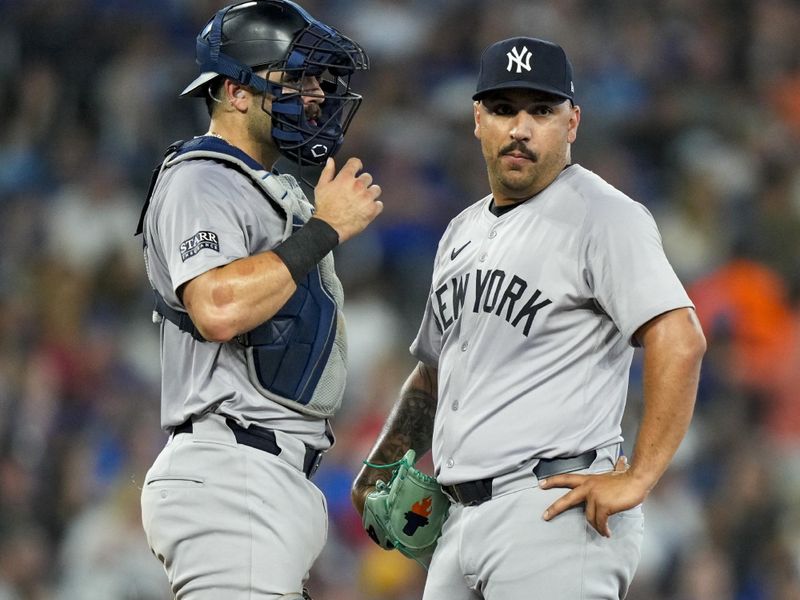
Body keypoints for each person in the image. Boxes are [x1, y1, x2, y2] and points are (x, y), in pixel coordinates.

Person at [352, 36, 706, 599]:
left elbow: (679, 339)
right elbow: (435, 373)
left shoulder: (605, 216)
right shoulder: (461, 231)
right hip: (457, 522)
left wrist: (641, 476)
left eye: (541, 110)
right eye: (503, 109)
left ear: (572, 123)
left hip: (552, 511)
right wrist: (383, 460)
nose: (520, 127)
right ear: (477, 120)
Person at [136, 1, 382, 598]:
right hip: (232, 472)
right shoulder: (202, 177)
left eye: (318, 80)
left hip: (261, 478)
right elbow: (217, 308)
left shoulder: (266, 188)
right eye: (294, 78)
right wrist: (325, 230)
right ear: (235, 92)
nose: (317, 95)